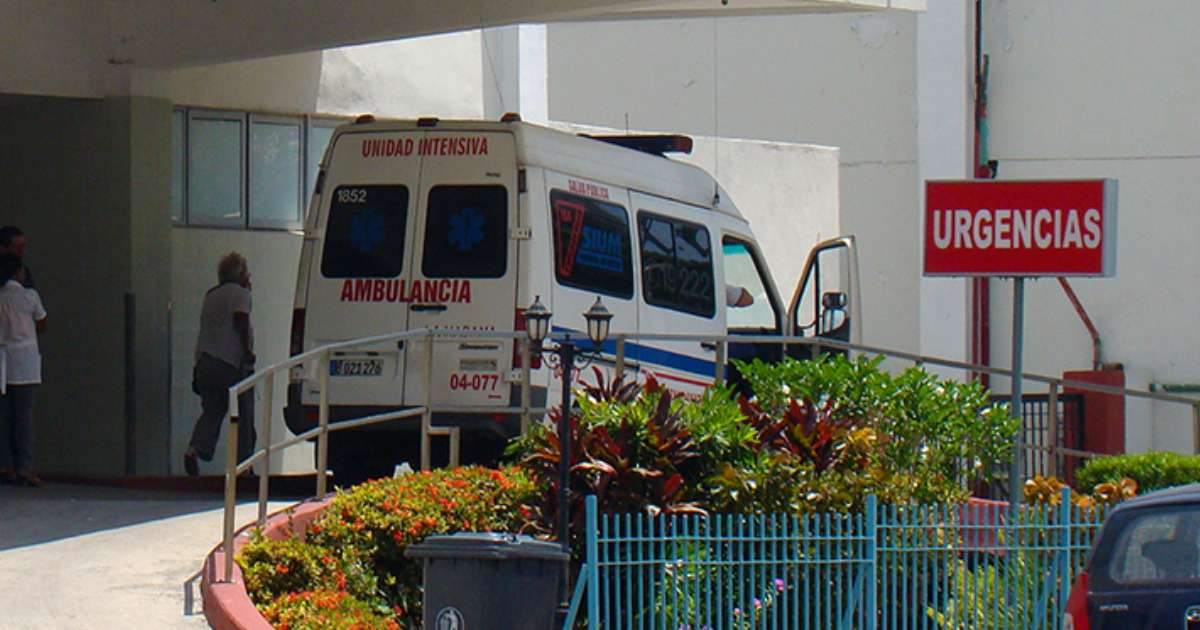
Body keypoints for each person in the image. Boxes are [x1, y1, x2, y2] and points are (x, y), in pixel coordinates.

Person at [184, 253, 256, 476]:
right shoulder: (241, 294)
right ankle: (244, 465)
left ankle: (194, 449)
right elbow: (240, 320)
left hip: (204, 362)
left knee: (212, 412)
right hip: (230, 363)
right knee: (244, 413)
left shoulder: (211, 295)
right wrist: (247, 352)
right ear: (241, 273)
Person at [0, 254, 47, 486]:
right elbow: (42, 322)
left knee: (5, 417)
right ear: (19, 272)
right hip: (26, 360)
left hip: (3, 359)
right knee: (24, 419)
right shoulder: (29, 296)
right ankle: (25, 468)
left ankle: (7, 466)